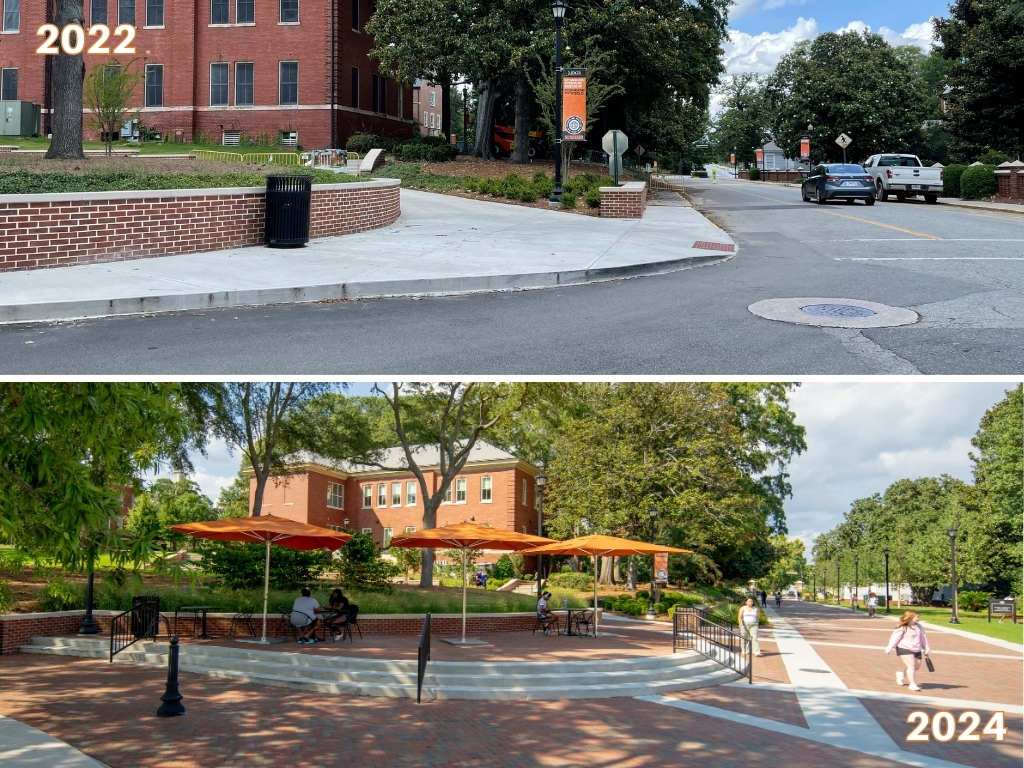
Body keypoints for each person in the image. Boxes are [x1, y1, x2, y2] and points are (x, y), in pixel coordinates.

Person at [885, 610, 931, 692]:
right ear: (910, 617)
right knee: (911, 666)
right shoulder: (902, 626)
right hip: (904, 648)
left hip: (917, 648)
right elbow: (895, 638)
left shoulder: (919, 627)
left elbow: (923, 638)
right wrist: (889, 647)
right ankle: (912, 684)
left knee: (916, 667)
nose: (919, 618)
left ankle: (901, 674)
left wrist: (926, 648)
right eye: (917, 617)